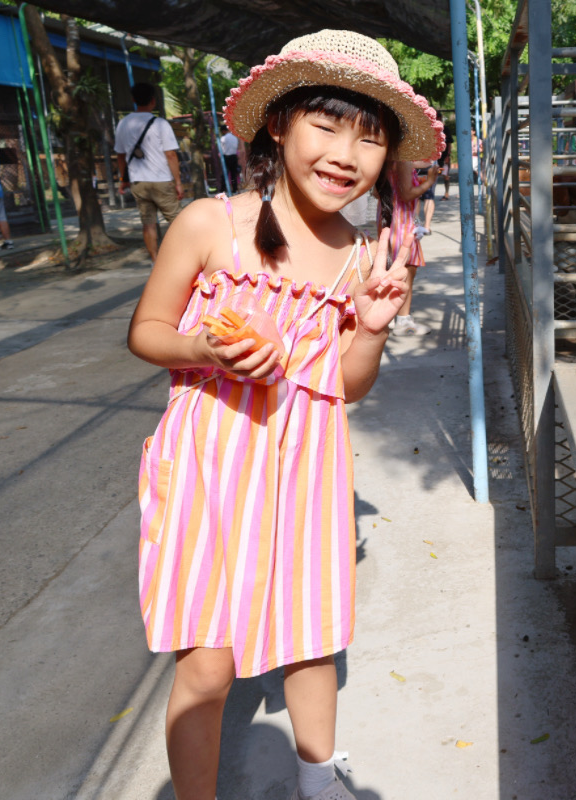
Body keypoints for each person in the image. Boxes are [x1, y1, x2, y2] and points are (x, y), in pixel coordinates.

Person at [126, 29, 444, 800]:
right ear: (279, 124)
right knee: (208, 661)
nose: (345, 155)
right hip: (208, 466)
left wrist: (368, 327)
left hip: (307, 470)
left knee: (310, 639)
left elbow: (348, 385)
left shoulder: (360, 255)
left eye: (369, 139)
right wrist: (206, 347)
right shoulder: (211, 226)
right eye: (327, 125)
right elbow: (147, 332)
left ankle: (317, 779)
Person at [114, 82, 184, 263]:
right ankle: (182, 257)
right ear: (153, 100)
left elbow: (120, 156)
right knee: (178, 222)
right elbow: (170, 154)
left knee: (148, 223)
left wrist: (123, 180)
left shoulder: (123, 124)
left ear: (133, 100)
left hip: (138, 182)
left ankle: (155, 260)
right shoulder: (160, 124)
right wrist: (177, 182)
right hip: (161, 180)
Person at [384, 158, 438, 335]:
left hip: (393, 218)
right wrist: (429, 181)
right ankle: (403, 321)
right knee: (406, 270)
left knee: (395, 268)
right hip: (401, 223)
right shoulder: (402, 161)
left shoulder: (392, 160)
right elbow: (407, 194)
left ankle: (392, 315)